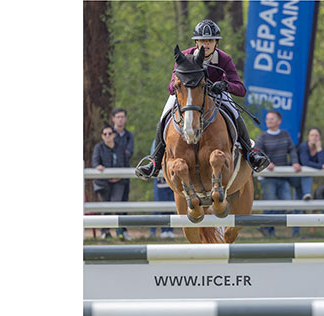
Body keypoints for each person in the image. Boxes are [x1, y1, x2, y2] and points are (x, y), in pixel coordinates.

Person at [135, 19, 269, 180]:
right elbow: (171, 87)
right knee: (164, 116)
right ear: (196, 42)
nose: (206, 44)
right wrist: (180, 85)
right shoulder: (184, 56)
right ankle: (155, 161)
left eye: (210, 40)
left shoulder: (224, 59)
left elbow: (241, 89)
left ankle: (251, 154)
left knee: (234, 113)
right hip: (187, 95)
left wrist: (225, 85)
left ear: (216, 43)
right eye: (202, 40)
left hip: (215, 94)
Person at [254, 111, 302, 237]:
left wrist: (295, 162)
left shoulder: (285, 135)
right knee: (269, 204)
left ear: (279, 121)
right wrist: (267, 162)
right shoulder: (262, 137)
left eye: (272, 119)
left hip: (283, 176)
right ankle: (269, 232)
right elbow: (257, 153)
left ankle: (263, 224)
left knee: (286, 205)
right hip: (268, 178)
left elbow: (291, 150)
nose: (268, 121)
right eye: (267, 119)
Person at [91, 125, 131, 241]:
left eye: (109, 133)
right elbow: (95, 162)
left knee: (116, 205)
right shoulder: (98, 148)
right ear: (102, 136)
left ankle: (119, 229)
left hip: (119, 181)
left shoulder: (120, 147)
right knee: (105, 207)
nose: (107, 136)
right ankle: (105, 231)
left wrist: (120, 175)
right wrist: (98, 167)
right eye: (105, 134)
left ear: (114, 135)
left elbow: (125, 163)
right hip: (103, 182)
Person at [111, 108, 134, 236]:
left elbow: (128, 153)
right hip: (110, 175)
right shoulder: (108, 133)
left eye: (122, 117)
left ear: (125, 119)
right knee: (110, 203)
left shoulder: (129, 135)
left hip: (124, 173)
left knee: (124, 201)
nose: (120, 119)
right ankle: (107, 230)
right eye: (118, 117)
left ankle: (123, 229)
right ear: (113, 118)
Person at [148, 139, 176, 238]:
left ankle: (169, 230)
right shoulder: (157, 140)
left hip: (172, 177)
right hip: (161, 178)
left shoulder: (175, 139)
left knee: (172, 203)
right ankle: (157, 230)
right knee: (159, 203)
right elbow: (153, 156)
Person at [297, 128, 324, 200]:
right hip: (296, 176)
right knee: (299, 197)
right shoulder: (303, 146)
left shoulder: (320, 149)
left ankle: (306, 196)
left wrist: (319, 148)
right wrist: (321, 166)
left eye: (316, 135)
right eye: (312, 135)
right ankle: (307, 194)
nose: (314, 137)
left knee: (300, 200)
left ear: (319, 137)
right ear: (308, 136)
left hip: (306, 178)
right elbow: (305, 162)